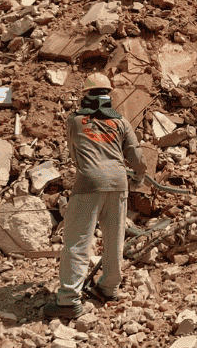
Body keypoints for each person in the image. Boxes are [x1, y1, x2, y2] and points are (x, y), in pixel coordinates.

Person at [43, 72, 147, 319]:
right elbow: (136, 155)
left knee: (78, 242)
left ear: (86, 96)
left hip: (89, 184)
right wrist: (139, 178)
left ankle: (68, 300)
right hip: (118, 183)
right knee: (114, 238)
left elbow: (74, 153)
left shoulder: (75, 121)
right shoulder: (121, 122)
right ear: (108, 95)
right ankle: (108, 287)